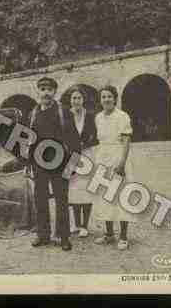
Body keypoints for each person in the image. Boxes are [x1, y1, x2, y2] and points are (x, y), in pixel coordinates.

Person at [28, 77, 72, 251]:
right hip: (39, 165)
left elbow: (73, 140)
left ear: (55, 92)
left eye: (49, 89)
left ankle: (64, 237)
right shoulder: (33, 114)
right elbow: (29, 141)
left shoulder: (63, 112)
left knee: (61, 200)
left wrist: (71, 166)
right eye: (42, 89)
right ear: (38, 92)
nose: (46, 92)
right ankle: (43, 235)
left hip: (60, 163)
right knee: (40, 199)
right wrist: (29, 163)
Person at [92, 85, 137, 250]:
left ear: (115, 98)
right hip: (102, 157)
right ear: (100, 100)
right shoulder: (98, 117)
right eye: (103, 97)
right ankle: (109, 234)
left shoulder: (122, 116)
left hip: (118, 156)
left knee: (121, 196)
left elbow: (126, 141)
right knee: (104, 196)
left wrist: (122, 163)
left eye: (109, 96)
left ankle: (123, 236)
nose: (106, 100)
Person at [62, 86, 98, 238]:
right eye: (74, 98)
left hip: (87, 155)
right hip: (71, 156)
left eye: (79, 98)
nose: (76, 101)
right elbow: (62, 136)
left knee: (87, 189)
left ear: (83, 100)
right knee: (74, 191)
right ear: (70, 100)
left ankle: (85, 225)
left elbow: (96, 136)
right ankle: (76, 224)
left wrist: (86, 143)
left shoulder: (90, 116)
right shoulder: (65, 116)